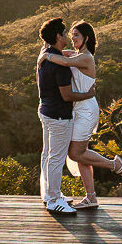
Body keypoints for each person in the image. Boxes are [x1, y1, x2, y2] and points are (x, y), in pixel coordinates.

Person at [40, 20, 122, 209]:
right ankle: (91, 198)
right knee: (80, 154)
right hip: (78, 109)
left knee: (75, 152)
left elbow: (63, 60)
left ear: (86, 38)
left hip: (87, 110)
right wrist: (44, 53)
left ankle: (114, 165)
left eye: (77, 35)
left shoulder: (86, 58)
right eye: (71, 35)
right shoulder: (77, 54)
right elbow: (61, 54)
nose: (72, 39)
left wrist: (47, 56)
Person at [35, 17, 80, 214]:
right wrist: (89, 94)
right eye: (64, 33)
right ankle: (54, 200)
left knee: (47, 155)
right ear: (57, 36)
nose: (67, 36)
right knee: (56, 158)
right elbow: (67, 95)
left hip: (45, 111)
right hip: (59, 116)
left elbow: (65, 53)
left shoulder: (45, 55)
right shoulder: (59, 65)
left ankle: (49, 194)